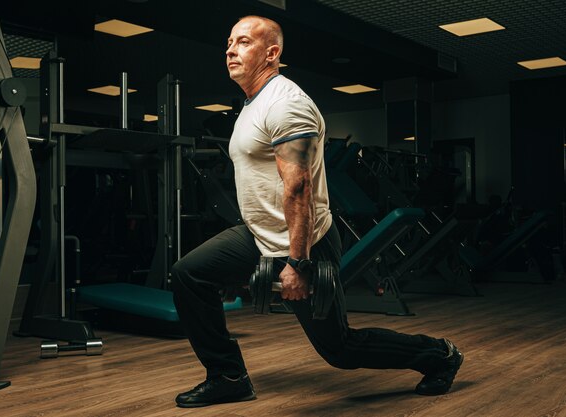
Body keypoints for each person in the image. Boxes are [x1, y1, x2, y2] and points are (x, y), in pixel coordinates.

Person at [170, 15, 463, 408]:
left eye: (243, 42)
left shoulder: (287, 104)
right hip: (258, 236)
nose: (230, 49)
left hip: (304, 244)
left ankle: (439, 355)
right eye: (229, 42)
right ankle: (227, 376)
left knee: (339, 349)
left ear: (271, 53)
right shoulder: (252, 104)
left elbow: (299, 187)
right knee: (189, 274)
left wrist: (298, 262)